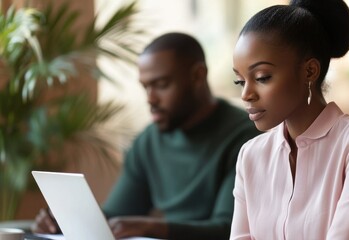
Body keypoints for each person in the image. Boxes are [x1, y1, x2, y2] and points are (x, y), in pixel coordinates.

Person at [31, 32, 260, 240]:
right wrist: (65, 221)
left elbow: (228, 229)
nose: (150, 99)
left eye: (161, 84)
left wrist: (151, 227)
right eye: (145, 87)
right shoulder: (148, 142)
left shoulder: (244, 138)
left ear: (197, 75)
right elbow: (117, 215)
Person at [230, 0, 349, 239]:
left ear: (309, 71)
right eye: (240, 81)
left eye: (262, 77)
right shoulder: (251, 156)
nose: (246, 94)